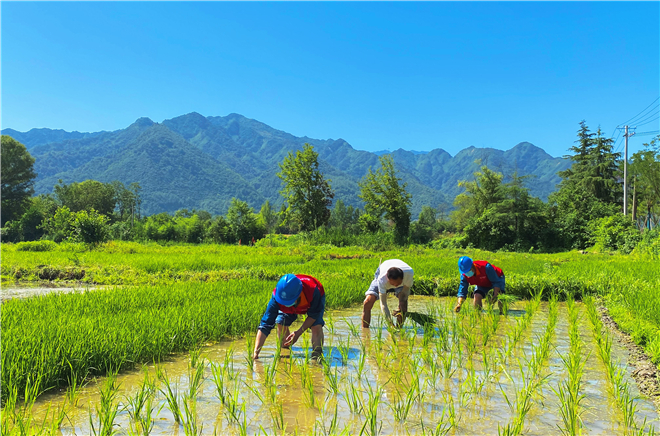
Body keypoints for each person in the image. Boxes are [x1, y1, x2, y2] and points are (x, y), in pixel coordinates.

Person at [253, 274, 326, 360]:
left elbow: (314, 315)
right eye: (284, 302)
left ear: (299, 294)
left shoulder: (313, 291)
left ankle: (317, 357)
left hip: (311, 301)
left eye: (288, 301)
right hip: (292, 301)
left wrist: (298, 333)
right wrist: (255, 353)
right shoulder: (277, 297)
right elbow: (265, 324)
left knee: (316, 325)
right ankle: (285, 354)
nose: (286, 304)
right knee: (281, 322)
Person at [362, 259, 414, 328]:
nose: (395, 286)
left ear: (403, 278)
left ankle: (399, 329)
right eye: (392, 284)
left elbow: (405, 292)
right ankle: (365, 332)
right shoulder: (382, 280)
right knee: (367, 302)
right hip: (382, 270)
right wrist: (390, 324)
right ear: (388, 279)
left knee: (403, 305)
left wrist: (401, 303)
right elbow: (383, 304)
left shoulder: (409, 274)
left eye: (397, 283)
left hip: (402, 282)